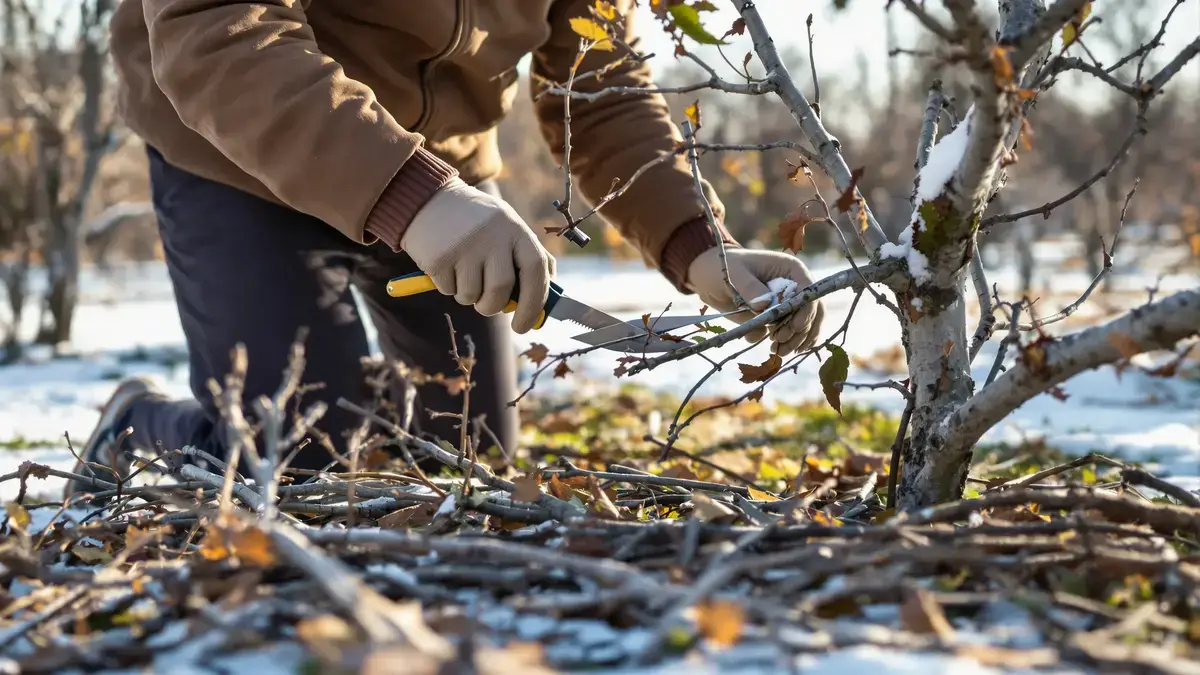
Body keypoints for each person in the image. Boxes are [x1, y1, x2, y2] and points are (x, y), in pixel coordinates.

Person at [65, 0, 825, 495]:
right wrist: (409, 194)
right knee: (294, 462)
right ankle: (136, 426)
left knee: (467, 456)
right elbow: (214, 29)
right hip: (235, 154)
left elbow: (603, 87)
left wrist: (700, 244)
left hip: (445, 176)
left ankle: (340, 403)